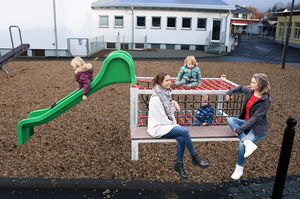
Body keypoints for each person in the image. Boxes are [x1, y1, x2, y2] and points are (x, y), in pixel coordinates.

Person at [147, 72, 209, 180]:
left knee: (181, 139)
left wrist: (174, 102)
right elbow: (162, 118)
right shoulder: (156, 98)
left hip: (165, 124)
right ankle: (195, 158)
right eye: (167, 80)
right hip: (157, 127)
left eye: (170, 80)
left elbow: (168, 109)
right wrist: (175, 125)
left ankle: (178, 165)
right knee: (184, 131)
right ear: (160, 82)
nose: (170, 82)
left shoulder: (165, 93)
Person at [225, 73, 271, 180]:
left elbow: (255, 118)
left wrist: (239, 129)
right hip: (245, 122)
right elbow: (241, 88)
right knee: (230, 119)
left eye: (253, 83)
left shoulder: (265, 101)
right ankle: (246, 141)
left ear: (260, 85)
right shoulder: (251, 91)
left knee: (241, 145)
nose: (250, 84)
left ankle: (239, 168)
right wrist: (230, 92)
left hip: (256, 127)